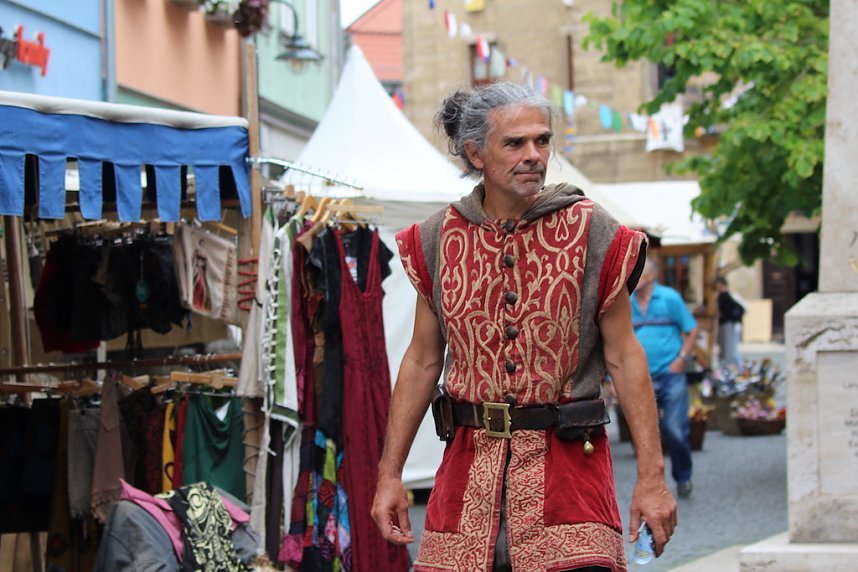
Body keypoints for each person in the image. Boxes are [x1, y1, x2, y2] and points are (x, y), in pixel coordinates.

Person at [371, 82, 677, 572]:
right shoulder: (434, 238)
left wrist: (652, 476)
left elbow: (624, 355)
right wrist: (391, 474)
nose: (534, 155)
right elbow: (423, 359)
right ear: (475, 153)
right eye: (515, 143)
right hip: (467, 473)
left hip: (570, 474)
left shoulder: (593, 230)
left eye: (542, 140)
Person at [630, 258, 699, 499]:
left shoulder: (669, 298)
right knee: (645, 434)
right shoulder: (627, 302)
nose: (632, 278)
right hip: (641, 378)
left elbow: (692, 329)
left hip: (670, 375)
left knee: (674, 430)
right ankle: (652, 483)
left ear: (650, 276)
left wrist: (682, 358)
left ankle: (683, 476)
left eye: (636, 274)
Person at [716, 276, 744, 371]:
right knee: (727, 347)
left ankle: (731, 367)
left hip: (727, 323)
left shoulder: (725, 295)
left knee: (728, 347)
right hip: (726, 323)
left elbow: (738, 308)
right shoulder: (723, 295)